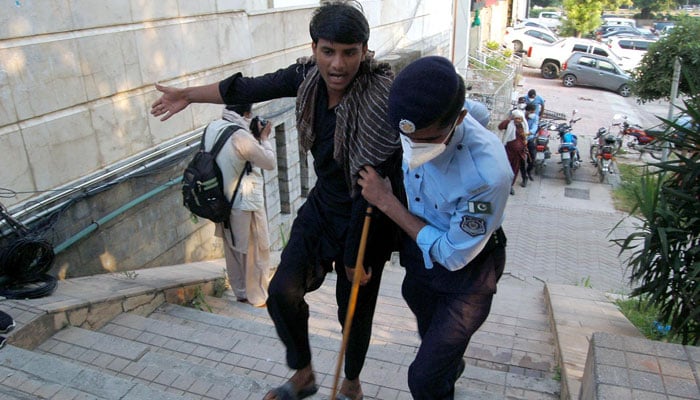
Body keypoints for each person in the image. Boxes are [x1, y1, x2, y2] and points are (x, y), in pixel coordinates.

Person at [150, 2, 402, 400]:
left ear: (365, 52)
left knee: (353, 312)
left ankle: (350, 382)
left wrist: (355, 255)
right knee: (282, 291)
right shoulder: (306, 78)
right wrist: (188, 95)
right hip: (324, 207)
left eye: (350, 52)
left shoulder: (381, 99)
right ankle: (303, 374)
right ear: (314, 47)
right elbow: (245, 88)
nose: (338, 64)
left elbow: (378, 181)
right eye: (328, 51)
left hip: (367, 214)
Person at [357, 55, 512, 400]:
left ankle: (441, 373)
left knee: (423, 380)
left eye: (430, 139)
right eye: (410, 137)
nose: (416, 148)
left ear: (458, 119)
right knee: (434, 344)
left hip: (466, 275)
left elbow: (452, 255)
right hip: (419, 265)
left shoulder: (487, 175)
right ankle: (448, 365)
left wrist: (386, 201)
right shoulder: (420, 109)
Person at [213, 104, 276, 308]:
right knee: (255, 250)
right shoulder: (240, 136)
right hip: (244, 202)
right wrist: (264, 139)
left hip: (221, 200)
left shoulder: (213, 127)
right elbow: (268, 162)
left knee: (232, 248)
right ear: (247, 113)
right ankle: (258, 297)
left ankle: (240, 293)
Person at [498, 110, 529, 193]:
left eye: (520, 119)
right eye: (516, 119)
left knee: (515, 169)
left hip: (519, 153)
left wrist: (525, 146)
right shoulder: (509, 124)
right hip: (508, 151)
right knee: (505, 168)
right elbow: (500, 127)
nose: (518, 120)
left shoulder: (523, 126)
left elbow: (525, 138)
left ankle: (510, 186)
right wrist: (508, 119)